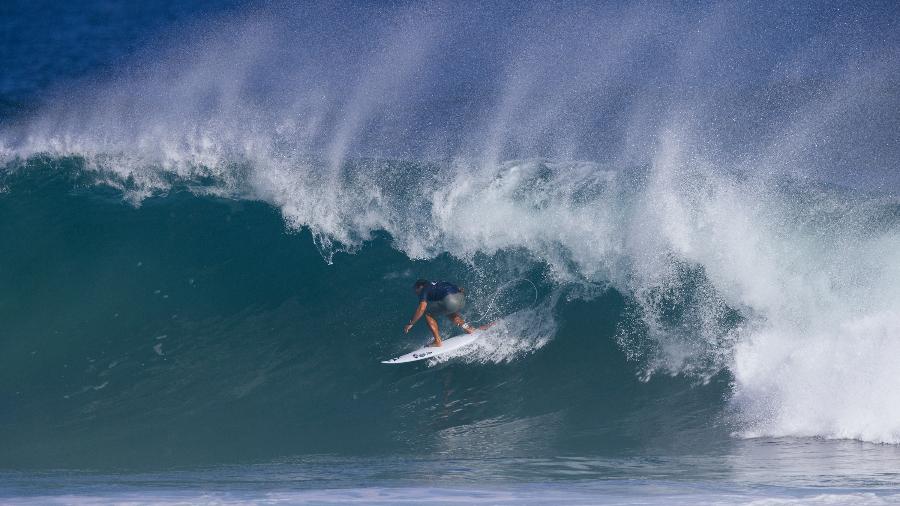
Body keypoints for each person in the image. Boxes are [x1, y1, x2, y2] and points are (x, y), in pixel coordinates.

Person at [403, 279, 489, 346]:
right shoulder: (439, 283)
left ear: (420, 286)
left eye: (416, 289)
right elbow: (460, 289)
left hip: (450, 300)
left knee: (428, 313)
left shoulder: (425, 289)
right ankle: (468, 328)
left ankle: (437, 341)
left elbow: (421, 308)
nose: (416, 292)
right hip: (461, 299)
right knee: (449, 311)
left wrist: (411, 323)